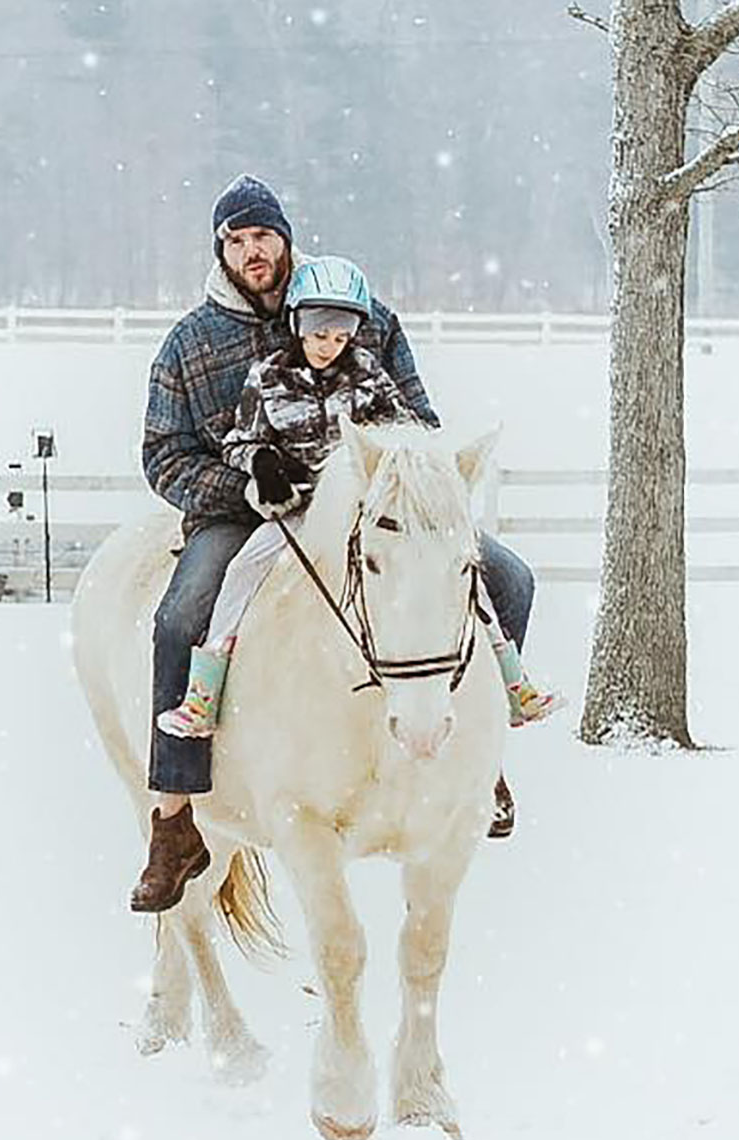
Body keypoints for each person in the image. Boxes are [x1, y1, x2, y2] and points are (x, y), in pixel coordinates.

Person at [132, 174, 538, 913]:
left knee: (508, 579)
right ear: (221, 251)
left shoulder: (362, 312)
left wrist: (387, 480)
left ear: (285, 238)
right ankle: (175, 815)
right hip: (252, 515)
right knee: (183, 615)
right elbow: (164, 457)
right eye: (238, 241)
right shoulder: (192, 343)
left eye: (264, 237)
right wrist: (250, 485)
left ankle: (481, 756)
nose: (254, 252)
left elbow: (416, 418)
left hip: (369, 510)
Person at [155, 254, 561, 744]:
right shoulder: (268, 378)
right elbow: (239, 440)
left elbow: (408, 427)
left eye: (341, 337)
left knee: (464, 572)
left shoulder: (367, 374)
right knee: (241, 571)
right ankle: (204, 689)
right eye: (320, 335)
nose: (330, 346)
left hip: (363, 510)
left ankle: (512, 680)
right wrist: (261, 464)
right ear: (298, 327)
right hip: (299, 509)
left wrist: (395, 466)